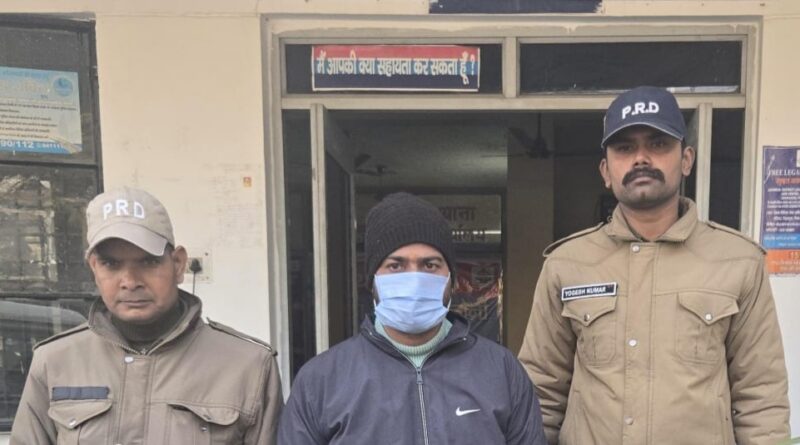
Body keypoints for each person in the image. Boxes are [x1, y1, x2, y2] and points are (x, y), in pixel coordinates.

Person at [518, 86, 790, 445]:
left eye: (658, 144)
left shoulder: (738, 261)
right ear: (606, 170)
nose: (641, 158)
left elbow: (761, 398)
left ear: (687, 159)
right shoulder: (567, 264)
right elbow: (540, 392)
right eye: (625, 148)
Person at [10, 187, 283, 444]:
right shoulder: (55, 361)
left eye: (148, 261)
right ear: (93, 267)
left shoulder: (248, 366)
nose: (130, 281)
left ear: (178, 264)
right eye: (111, 264)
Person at [279, 192, 546, 445]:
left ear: (452, 280)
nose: (415, 278)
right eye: (395, 265)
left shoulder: (501, 371)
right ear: (372, 281)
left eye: (430, 265)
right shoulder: (321, 380)